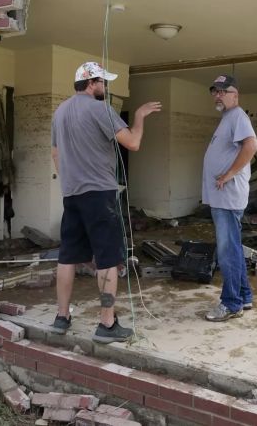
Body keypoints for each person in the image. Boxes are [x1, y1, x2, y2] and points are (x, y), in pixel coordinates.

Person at [49, 61, 161, 343]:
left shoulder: (60, 111)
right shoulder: (100, 109)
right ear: (92, 83)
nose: (106, 88)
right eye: (104, 83)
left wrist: (70, 180)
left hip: (71, 194)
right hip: (99, 194)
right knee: (108, 258)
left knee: (68, 257)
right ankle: (107, 324)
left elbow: (55, 153)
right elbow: (133, 142)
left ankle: (61, 317)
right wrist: (139, 116)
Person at [202, 74, 257, 322]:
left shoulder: (237, 116)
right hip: (222, 198)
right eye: (215, 91)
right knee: (233, 249)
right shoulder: (227, 118)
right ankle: (244, 296)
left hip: (227, 198)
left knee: (227, 252)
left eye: (223, 91)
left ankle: (231, 303)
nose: (218, 95)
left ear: (235, 95)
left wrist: (229, 173)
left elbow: (252, 145)